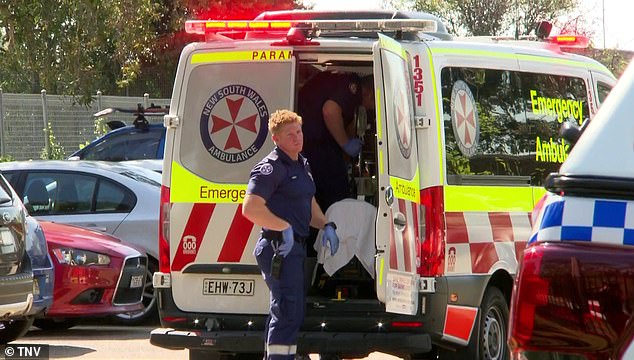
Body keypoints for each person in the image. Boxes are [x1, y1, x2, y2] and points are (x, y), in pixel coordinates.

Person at [242, 109, 340, 360]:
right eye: (290, 134)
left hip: (294, 249)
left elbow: (308, 204)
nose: (297, 138)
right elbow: (251, 208)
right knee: (287, 312)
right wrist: (282, 226)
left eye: (299, 132)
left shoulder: (301, 163)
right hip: (278, 249)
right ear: (276, 139)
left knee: (287, 311)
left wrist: (326, 224)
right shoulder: (272, 167)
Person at [298, 71, 375, 212]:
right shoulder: (351, 89)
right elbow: (330, 111)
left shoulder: (340, 86)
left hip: (309, 146)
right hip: (316, 147)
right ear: (371, 94)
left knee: (319, 201)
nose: (371, 108)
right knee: (338, 201)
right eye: (373, 104)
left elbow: (344, 121)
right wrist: (346, 143)